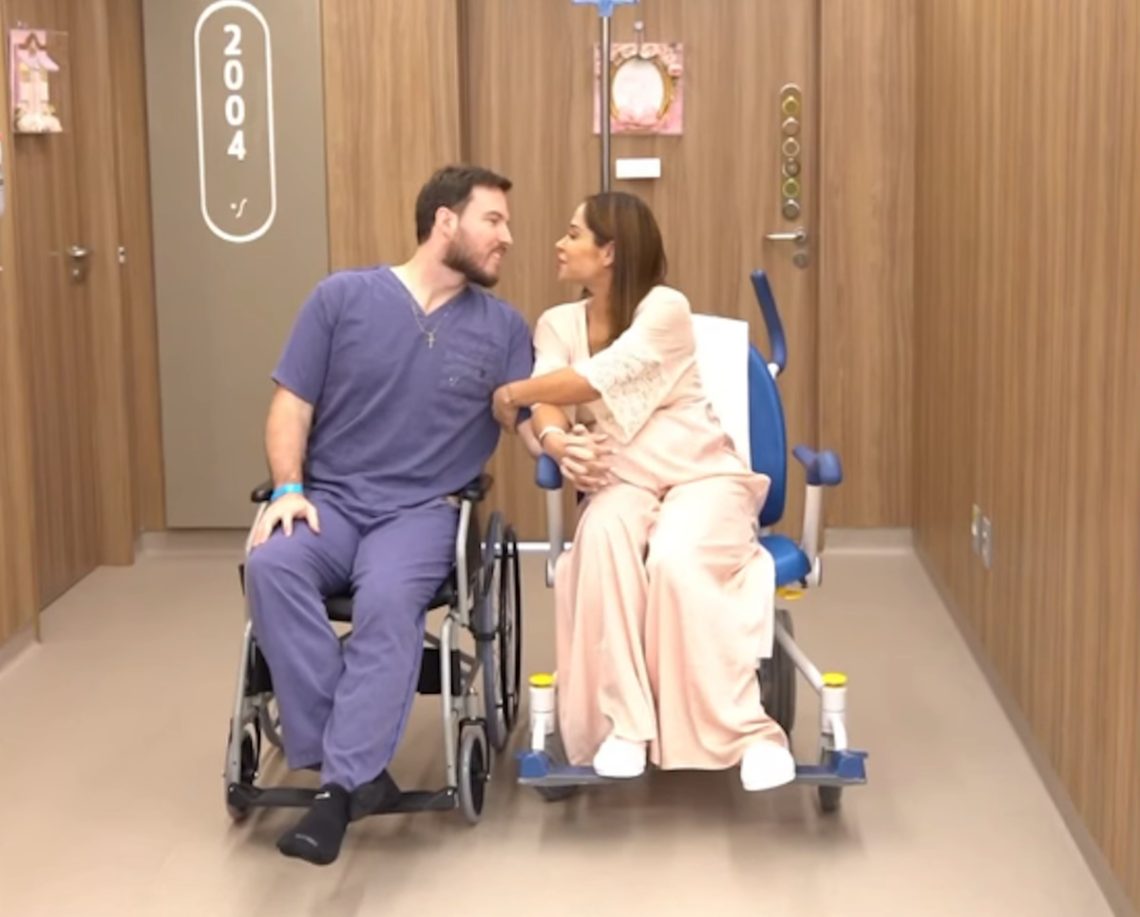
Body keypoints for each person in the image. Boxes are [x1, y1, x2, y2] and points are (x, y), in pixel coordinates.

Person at [245, 165, 535, 865]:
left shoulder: (503, 328)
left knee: (387, 600)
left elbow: (526, 414)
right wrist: (288, 489)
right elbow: (292, 404)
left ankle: (336, 792)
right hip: (331, 500)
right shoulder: (342, 298)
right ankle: (353, 766)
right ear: (445, 221)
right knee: (271, 566)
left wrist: (563, 442)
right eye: (493, 220)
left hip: (422, 513)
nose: (507, 237)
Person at [491, 191, 795, 792]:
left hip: (701, 475)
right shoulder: (557, 322)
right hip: (620, 478)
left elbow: (592, 379)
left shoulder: (665, 308)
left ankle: (747, 734)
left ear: (609, 251)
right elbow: (551, 396)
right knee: (602, 544)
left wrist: (511, 394)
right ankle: (623, 727)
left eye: (573, 234)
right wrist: (556, 441)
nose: (559, 243)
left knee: (678, 560)